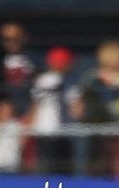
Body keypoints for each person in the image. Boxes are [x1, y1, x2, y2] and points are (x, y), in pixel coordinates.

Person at [74, 41, 119, 179]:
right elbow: (80, 98)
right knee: (98, 158)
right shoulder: (92, 76)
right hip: (96, 123)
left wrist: (115, 81)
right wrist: (80, 111)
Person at [29, 46, 77, 174]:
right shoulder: (45, 80)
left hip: (56, 131)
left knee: (52, 169)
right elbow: (35, 105)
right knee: (55, 169)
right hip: (49, 131)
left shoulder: (67, 81)